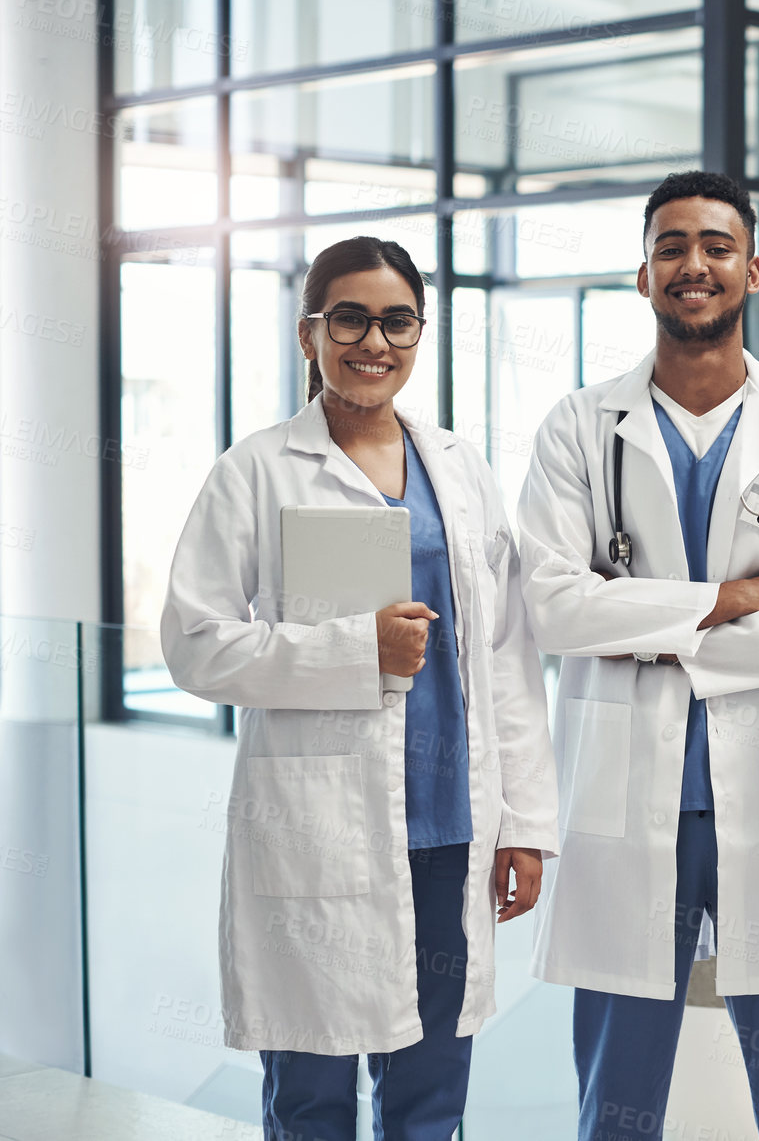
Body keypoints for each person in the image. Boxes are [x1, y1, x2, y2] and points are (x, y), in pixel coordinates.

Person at [160, 236, 557, 1141]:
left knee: (430, 1093)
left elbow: (507, 656)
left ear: (418, 334)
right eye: (349, 318)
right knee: (312, 1090)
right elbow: (192, 645)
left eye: (396, 320)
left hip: (453, 823)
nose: (372, 340)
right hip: (318, 825)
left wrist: (527, 825)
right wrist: (354, 652)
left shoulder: (461, 469)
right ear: (310, 333)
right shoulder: (257, 469)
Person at [516, 171, 759, 1141]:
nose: (694, 264)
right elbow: (552, 606)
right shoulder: (578, 430)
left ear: (752, 268)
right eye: (672, 246)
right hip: (631, 802)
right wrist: (725, 600)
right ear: (642, 274)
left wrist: (654, 634)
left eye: (716, 245)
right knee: (618, 1106)